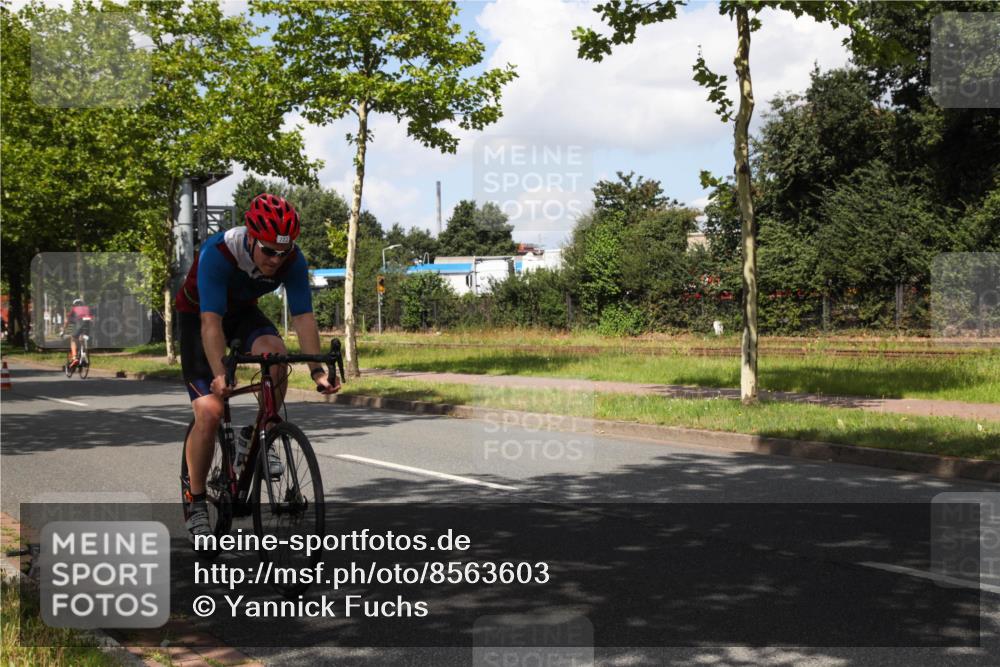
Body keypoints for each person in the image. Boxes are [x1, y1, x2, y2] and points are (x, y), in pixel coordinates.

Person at [176, 193, 340, 542]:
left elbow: (303, 317)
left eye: (283, 252)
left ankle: (253, 437)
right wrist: (221, 374)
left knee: (276, 358)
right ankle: (197, 501)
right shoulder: (217, 254)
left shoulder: (292, 260)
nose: (276, 260)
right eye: (268, 251)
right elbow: (210, 323)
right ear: (251, 238)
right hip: (200, 317)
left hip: (242, 314)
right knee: (210, 409)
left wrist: (317, 371)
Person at [66, 298, 92, 366]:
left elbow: (67, 321)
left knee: (73, 339)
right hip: (88, 326)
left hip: (79, 324)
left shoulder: (74, 309)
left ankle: (75, 358)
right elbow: (92, 318)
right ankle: (84, 352)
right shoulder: (87, 308)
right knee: (82, 338)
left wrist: (64, 330)